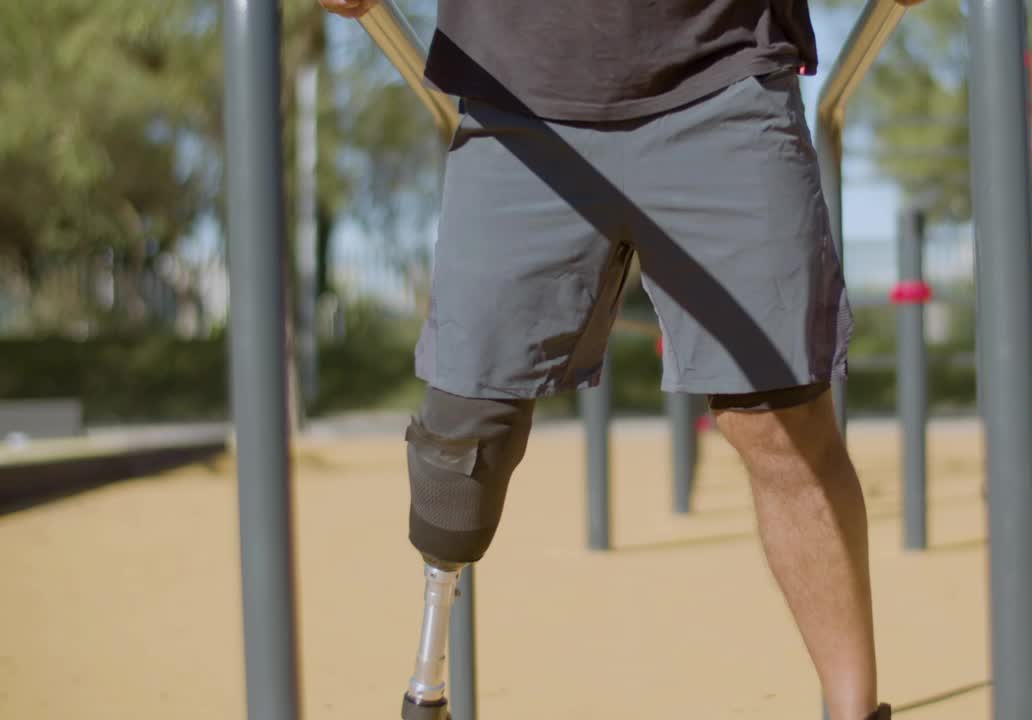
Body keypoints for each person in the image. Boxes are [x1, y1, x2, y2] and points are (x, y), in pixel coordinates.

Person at [319, 1, 887, 718]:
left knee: (782, 424)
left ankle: (854, 709)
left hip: (723, 70)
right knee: (461, 444)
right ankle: (426, 684)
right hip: (513, 88)